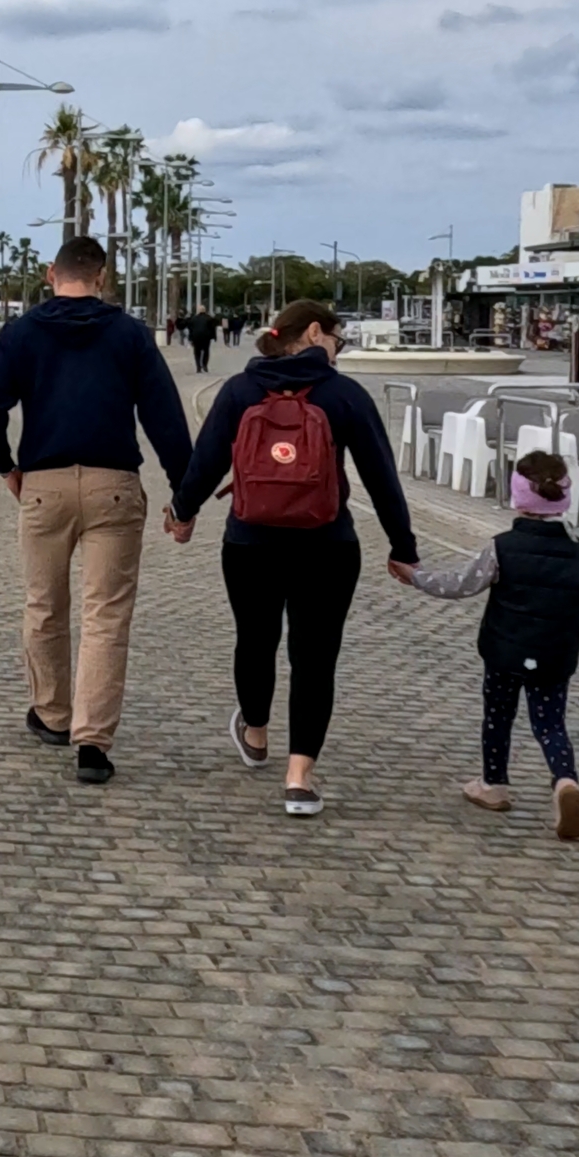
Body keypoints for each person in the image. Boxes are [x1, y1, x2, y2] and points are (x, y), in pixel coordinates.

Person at [167, 299, 418, 818]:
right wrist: (402, 547)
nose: (338, 349)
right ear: (312, 333)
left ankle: (256, 735)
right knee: (314, 657)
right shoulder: (343, 394)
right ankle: (299, 778)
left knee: (255, 640)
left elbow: (207, 458)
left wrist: (183, 512)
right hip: (327, 545)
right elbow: (380, 474)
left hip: (249, 543)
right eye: (337, 339)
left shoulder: (239, 390)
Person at [0, 234, 194, 785]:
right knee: (106, 615)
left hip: (42, 485)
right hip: (113, 485)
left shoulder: (21, 333)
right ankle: (92, 744)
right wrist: (183, 496)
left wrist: (5, 465)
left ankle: (51, 715)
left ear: (52, 274)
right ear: (102, 278)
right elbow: (164, 416)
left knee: (44, 604)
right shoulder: (129, 335)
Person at [404, 450, 579, 841]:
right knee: (551, 724)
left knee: (498, 717)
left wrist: (417, 577)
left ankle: (493, 784)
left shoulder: (501, 547)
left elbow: (462, 584)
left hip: (505, 650)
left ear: (518, 497)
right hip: (555, 653)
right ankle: (565, 782)